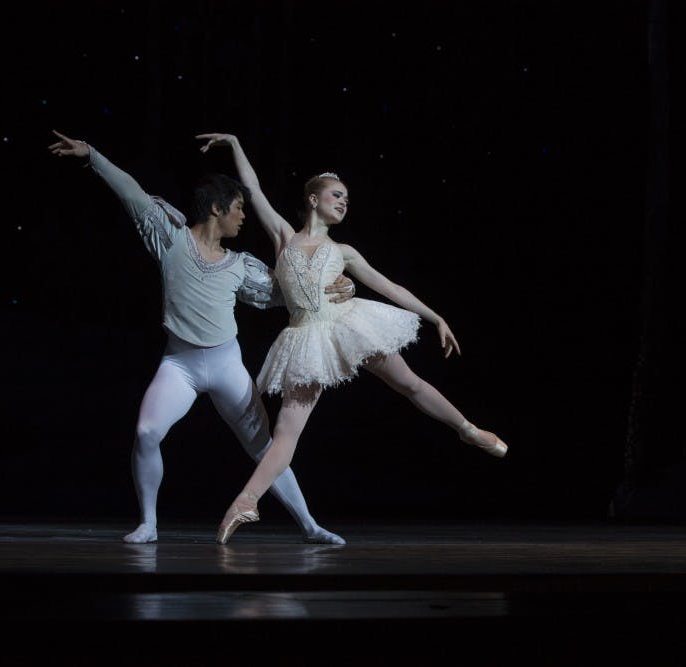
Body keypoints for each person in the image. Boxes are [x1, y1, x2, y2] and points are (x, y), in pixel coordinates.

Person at [195, 133, 509, 545]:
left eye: (346, 198)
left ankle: (467, 429)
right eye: (336, 195)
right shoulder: (285, 238)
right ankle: (245, 502)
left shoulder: (343, 251)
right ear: (313, 198)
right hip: (306, 338)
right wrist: (235, 144)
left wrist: (436, 318)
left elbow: (390, 287)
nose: (343, 202)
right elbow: (253, 190)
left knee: (409, 383)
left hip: (348, 324)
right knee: (287, 430)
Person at [48, 130, 355, 544]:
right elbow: (133, 194)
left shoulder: (239, 265)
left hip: (226, 365)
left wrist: (340, 287)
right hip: (180, 365)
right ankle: (149, 523)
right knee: (146, 432)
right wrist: (93, 155)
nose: (244, 217)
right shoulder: (170, 239)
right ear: (216, 208)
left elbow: (291, 293)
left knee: (265, 447)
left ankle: (309, 525)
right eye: (239, 209)